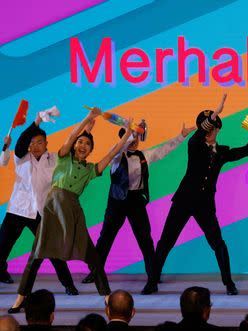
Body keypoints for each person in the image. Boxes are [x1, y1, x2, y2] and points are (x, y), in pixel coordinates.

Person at [8, 107, 127, 313]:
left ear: (90, 150)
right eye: (80, 142)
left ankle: (107, 296)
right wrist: (89, 118)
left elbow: (111, 154)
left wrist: (126, 135)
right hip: (52, 209)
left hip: (73, 213)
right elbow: (72, 135)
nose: (82, 145)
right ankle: (21, 298)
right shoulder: (63, 157)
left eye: (87, 144)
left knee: (93, 257)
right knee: (35, 257)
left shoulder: (91, 170)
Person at [143, 94, 248, 295]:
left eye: (213, 127)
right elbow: (199, 133)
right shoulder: (194, 144)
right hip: (183, 201)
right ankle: (152, 281)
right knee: (166, 241)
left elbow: (247, 151)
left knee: (218, 243)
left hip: (205, 205)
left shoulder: (222, 152)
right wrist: (216, 111)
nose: (208, 131)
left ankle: (228, 283)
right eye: (205, 127)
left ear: (217, 130)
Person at [81, 121, 195, 285]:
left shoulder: (145, 155)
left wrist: (181, 136)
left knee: (145, 240)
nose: (134, 140)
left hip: (135, 201)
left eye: (136, 136)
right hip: (116, 200)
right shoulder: (116, 155)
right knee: (105, 237)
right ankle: (94, 273)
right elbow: (120, 147)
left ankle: (153, 276)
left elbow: (164, 150)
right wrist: (130, 133)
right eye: (130, 137)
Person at [0, 107, 77, 293]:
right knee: (2, 246)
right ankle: (1, 273)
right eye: (32, 142)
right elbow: (19, 145)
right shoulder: (21, 158)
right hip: (17, 210)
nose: (35, 146)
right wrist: (36, 122)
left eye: (39, 142)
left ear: (46, 144)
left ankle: (68, 284)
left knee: (53, 250)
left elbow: (70, 148)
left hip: (40, 212)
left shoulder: (53, 160)